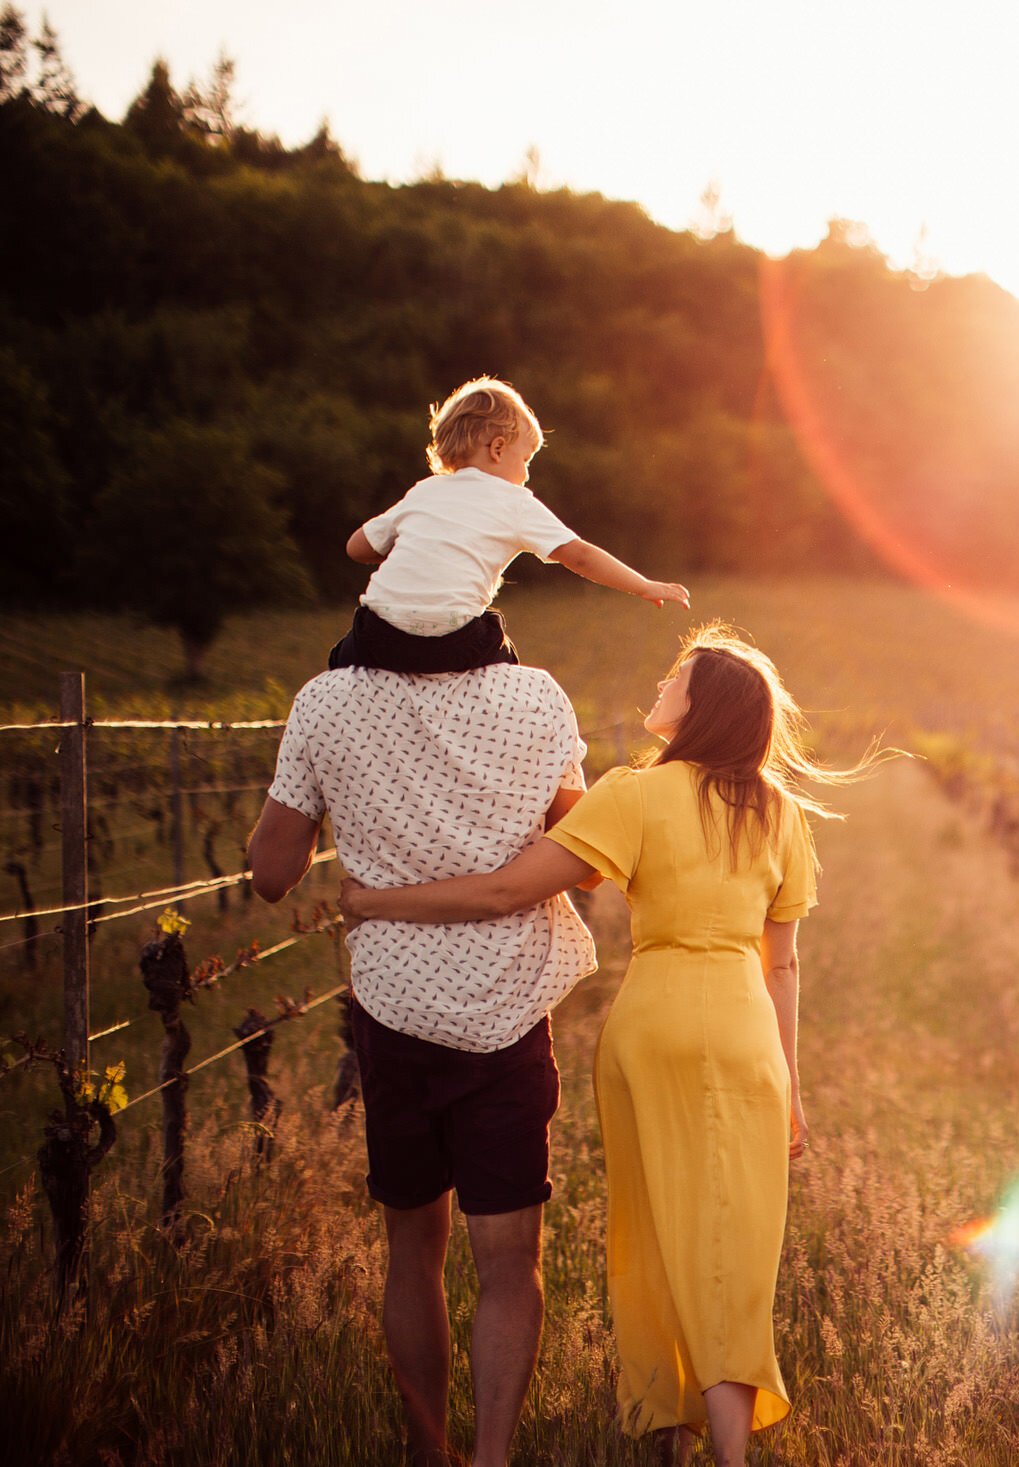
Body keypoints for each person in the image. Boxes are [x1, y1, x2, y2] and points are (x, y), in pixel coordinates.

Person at [341, 626, 884, 1467]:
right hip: (744, 1029)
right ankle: (730, 1450)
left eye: (680, 674)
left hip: (653, 1020)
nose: (663, 681)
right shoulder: (780, 812)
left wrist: (377, 899)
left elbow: (506, 890)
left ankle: (665, 1418)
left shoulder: (637, 792)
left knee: (653, 1224)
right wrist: (792, 1085)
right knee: (734, 1237)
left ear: (701, 707)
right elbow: (784, 963)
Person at [246, 648, 599, 1466]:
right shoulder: (537, 694)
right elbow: (581, 841)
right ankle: (491, 1458)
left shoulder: (326, 701)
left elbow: (270, 872)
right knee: (510, 1258)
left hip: (395, 1010)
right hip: (510, 1007)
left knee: (414, 1244)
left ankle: (425, 1452)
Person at [330, 375, 690, 674]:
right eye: (527, 458)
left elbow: (356, 548)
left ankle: (339, 690)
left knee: (342, 653)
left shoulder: (423, 491)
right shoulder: (514, 501)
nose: (528, 472)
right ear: (498, 449)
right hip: (454, 642)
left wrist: (412, 548)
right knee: (499, 646)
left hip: (378, 637)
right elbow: (578, 555)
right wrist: (643, 585)